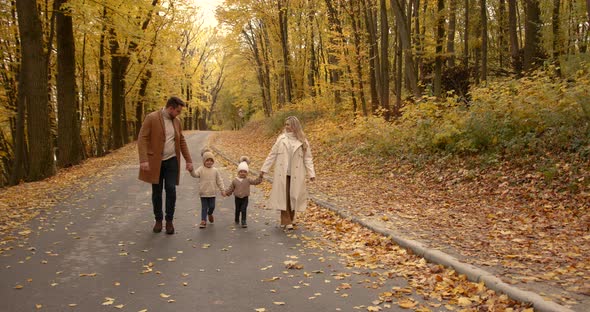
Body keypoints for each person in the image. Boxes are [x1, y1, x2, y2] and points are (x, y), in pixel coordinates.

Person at [138, 96, 193, 235]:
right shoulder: (152, 118)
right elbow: (142, 138)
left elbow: (181, 141)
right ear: (170, 108)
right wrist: (143, 159)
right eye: (178, 111)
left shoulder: (177, 122)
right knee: (156, 192)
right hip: (155, 162)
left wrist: (188, 160)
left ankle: (169, 221)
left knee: (171, 189)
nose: (179, 114)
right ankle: (158, 220)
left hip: (172, 161)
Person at [260, 116, 315, 231]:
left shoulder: (303, 141)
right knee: (283, 197)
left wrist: (311, 173)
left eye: (288, 124)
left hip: (297, 173)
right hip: (282, 173)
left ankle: (290, 218)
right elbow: (272, 154)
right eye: (285, 124)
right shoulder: (281, 139)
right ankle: (287, 221)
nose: (286, 127)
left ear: (295, 126)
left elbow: (308, 158)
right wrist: (264, 169)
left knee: (293, 196)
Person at [190, 148, 225, 229]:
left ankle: (210, 214)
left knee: (212, 206)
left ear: (213, 161)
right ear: (204, 161)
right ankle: (203, 221)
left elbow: (219, 181)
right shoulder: (201, 169)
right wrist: (191, 171)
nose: (209, 162)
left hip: (212, 193)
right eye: (207, 160)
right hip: (203, 193)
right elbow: (195, 175)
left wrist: (222, 190)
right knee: (204, 207)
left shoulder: (215, 170)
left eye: (211, 160)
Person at [224, 156, 263, 228]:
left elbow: (255, 182)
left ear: (247, 173)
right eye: (241, 172)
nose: (243, 173)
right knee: (237, 209)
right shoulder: (235, 180)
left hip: (245, 197)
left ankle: (244, 221)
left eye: (245, 172)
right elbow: (231, 188)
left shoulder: (248, 180)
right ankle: (236, 218)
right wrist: (226, 193)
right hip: (237, 197)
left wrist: (260, 177)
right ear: (238, 172)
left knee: (243, 209)